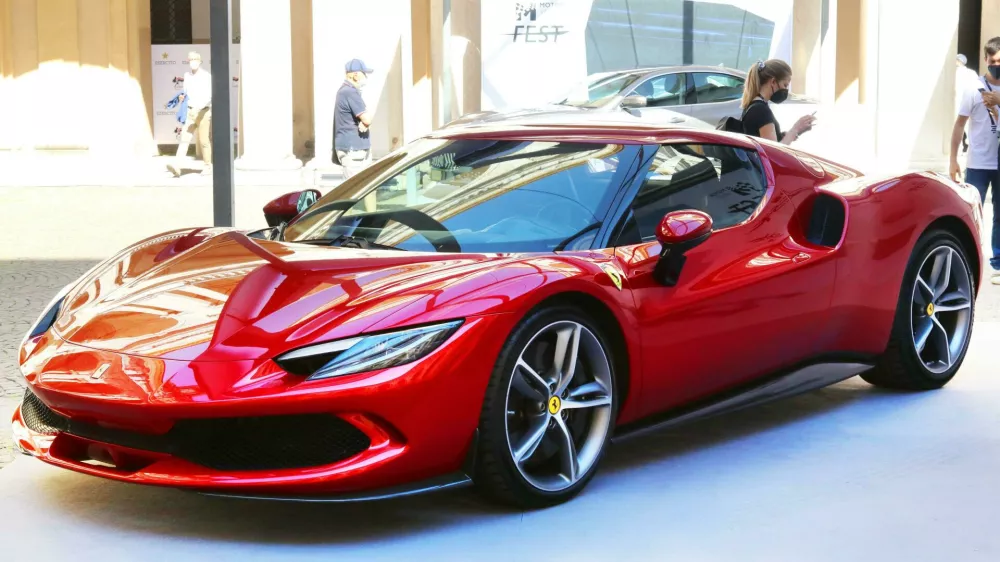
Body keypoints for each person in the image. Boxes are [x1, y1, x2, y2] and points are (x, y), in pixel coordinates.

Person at [950, 37, 1000, 286]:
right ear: (985, 60)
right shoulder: (974, 89)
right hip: (978, 163)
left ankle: (998, 263)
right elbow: (959, 124)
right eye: (993, 61)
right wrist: (953, 160)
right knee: (973, 213)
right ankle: (971, 259)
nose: (996, 66)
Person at [739, 59, 815, 145]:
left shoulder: (753, 106)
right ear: (773, 82)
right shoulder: (761, 110)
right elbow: (774, 150)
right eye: (785, 85)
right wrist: (795, 129)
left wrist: (788, 134)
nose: (786, 90)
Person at [168, 51, 212, 177]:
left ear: (199, 61)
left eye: (195, 59)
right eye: (190, 59)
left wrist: (201, 105)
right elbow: (186, 92)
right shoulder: (187, 76)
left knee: (204, 141)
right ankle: (176, 166)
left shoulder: (206, 76)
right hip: (190, 111)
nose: (192, 62)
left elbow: (210, 95)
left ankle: (208, 166)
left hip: (204, 112)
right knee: (184, 138)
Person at [334, 59, 374, 179]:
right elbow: (367, 118)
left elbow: (365, 120)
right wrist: (367, 122)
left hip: (355, 149)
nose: (366, 77)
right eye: (364, 74)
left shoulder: (346, 91)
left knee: (363, 189)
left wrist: (366, 123)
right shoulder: (349, 92)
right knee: (356, 190)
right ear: (355, 75)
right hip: (354, 151)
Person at [957, 54, 981, 152]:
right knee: (966, 125)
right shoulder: (972, 73)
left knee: (960, 125)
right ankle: (968, 147)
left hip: (960, 101)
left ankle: (962, 148)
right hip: (966, 101)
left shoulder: (958, 72)